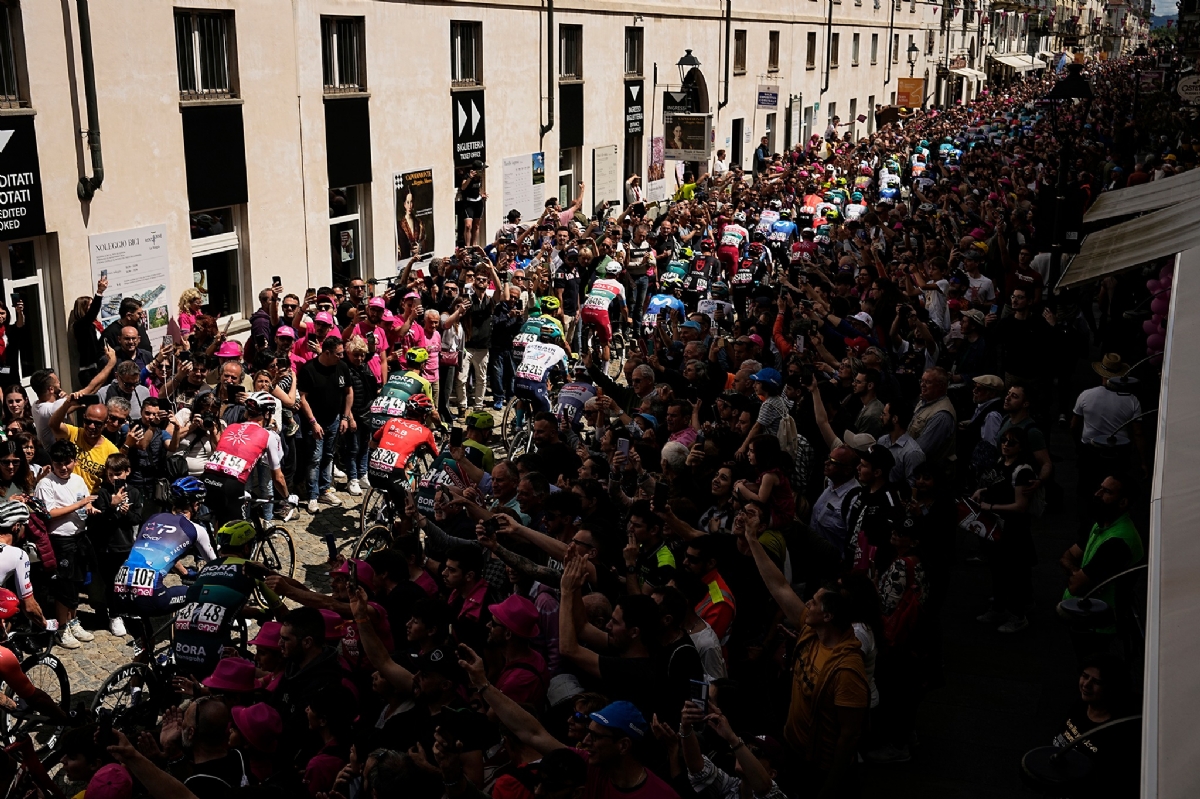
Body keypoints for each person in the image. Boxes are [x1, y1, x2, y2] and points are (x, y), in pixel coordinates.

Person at [1060, 474, 1144, 658]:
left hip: (1100, 625)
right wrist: (1077, 573)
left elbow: (1075, 586)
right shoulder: (1102, 524)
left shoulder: (1118, 542)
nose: (1097, 494)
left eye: (1106, 492)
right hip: (1086, 614)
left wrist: (1075, 576)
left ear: (1123, 502)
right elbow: (1067, 556)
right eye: (1100, 488)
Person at [201, 392, 292, 525]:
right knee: (239, 534)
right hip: (231, 486)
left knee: (220, 524)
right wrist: (287, 498)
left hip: (207, 479)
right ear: (267, 414)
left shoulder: (231, 427)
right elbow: (278, 478)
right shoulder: (268, 435)